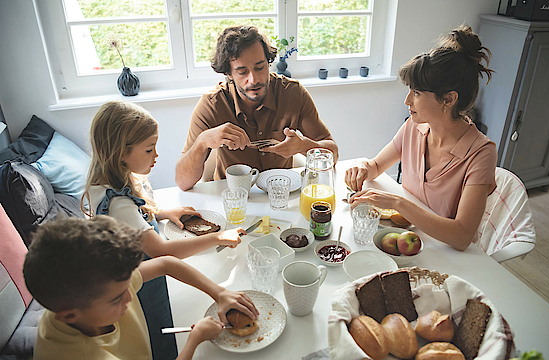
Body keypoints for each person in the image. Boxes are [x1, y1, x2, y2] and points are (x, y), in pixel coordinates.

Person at [82, 100, 247, 359]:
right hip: (142, 290)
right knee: (157, 341)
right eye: (149, 149)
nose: (156, 155)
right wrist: (218, 237)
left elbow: (127, 219)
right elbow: (161, 252)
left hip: (131, 279)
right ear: (120, 152)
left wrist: (160, 213)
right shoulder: (118, 203)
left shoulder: (104, 185)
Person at [345, 25, 497, 251]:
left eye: (416, 93)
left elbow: (462, 235)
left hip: (445, 253)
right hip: (406, 241)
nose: (407, 101)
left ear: (448, 99)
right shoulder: (413, 128)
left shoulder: (481, 153)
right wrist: (362, 168)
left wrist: (396, 202)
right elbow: (376, 165)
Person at [23, 216, 259, 360]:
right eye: (117, 299)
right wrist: (195, 339)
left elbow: (166, 263)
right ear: (70, 315)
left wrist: (219, 292)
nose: (131, 295)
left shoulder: (97, 286)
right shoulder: (88, 355)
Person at [175, 25, 338, 190]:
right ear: (229, 74)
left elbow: (334, 154)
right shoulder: (212, 105)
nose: (253, 80)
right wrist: (202, 142)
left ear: (268, 63)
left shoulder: (293, 94)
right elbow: (182, 182)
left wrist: (304, 146)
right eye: (242, 72)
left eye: (260, 67)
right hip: (233, 198)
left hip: (282, 195)